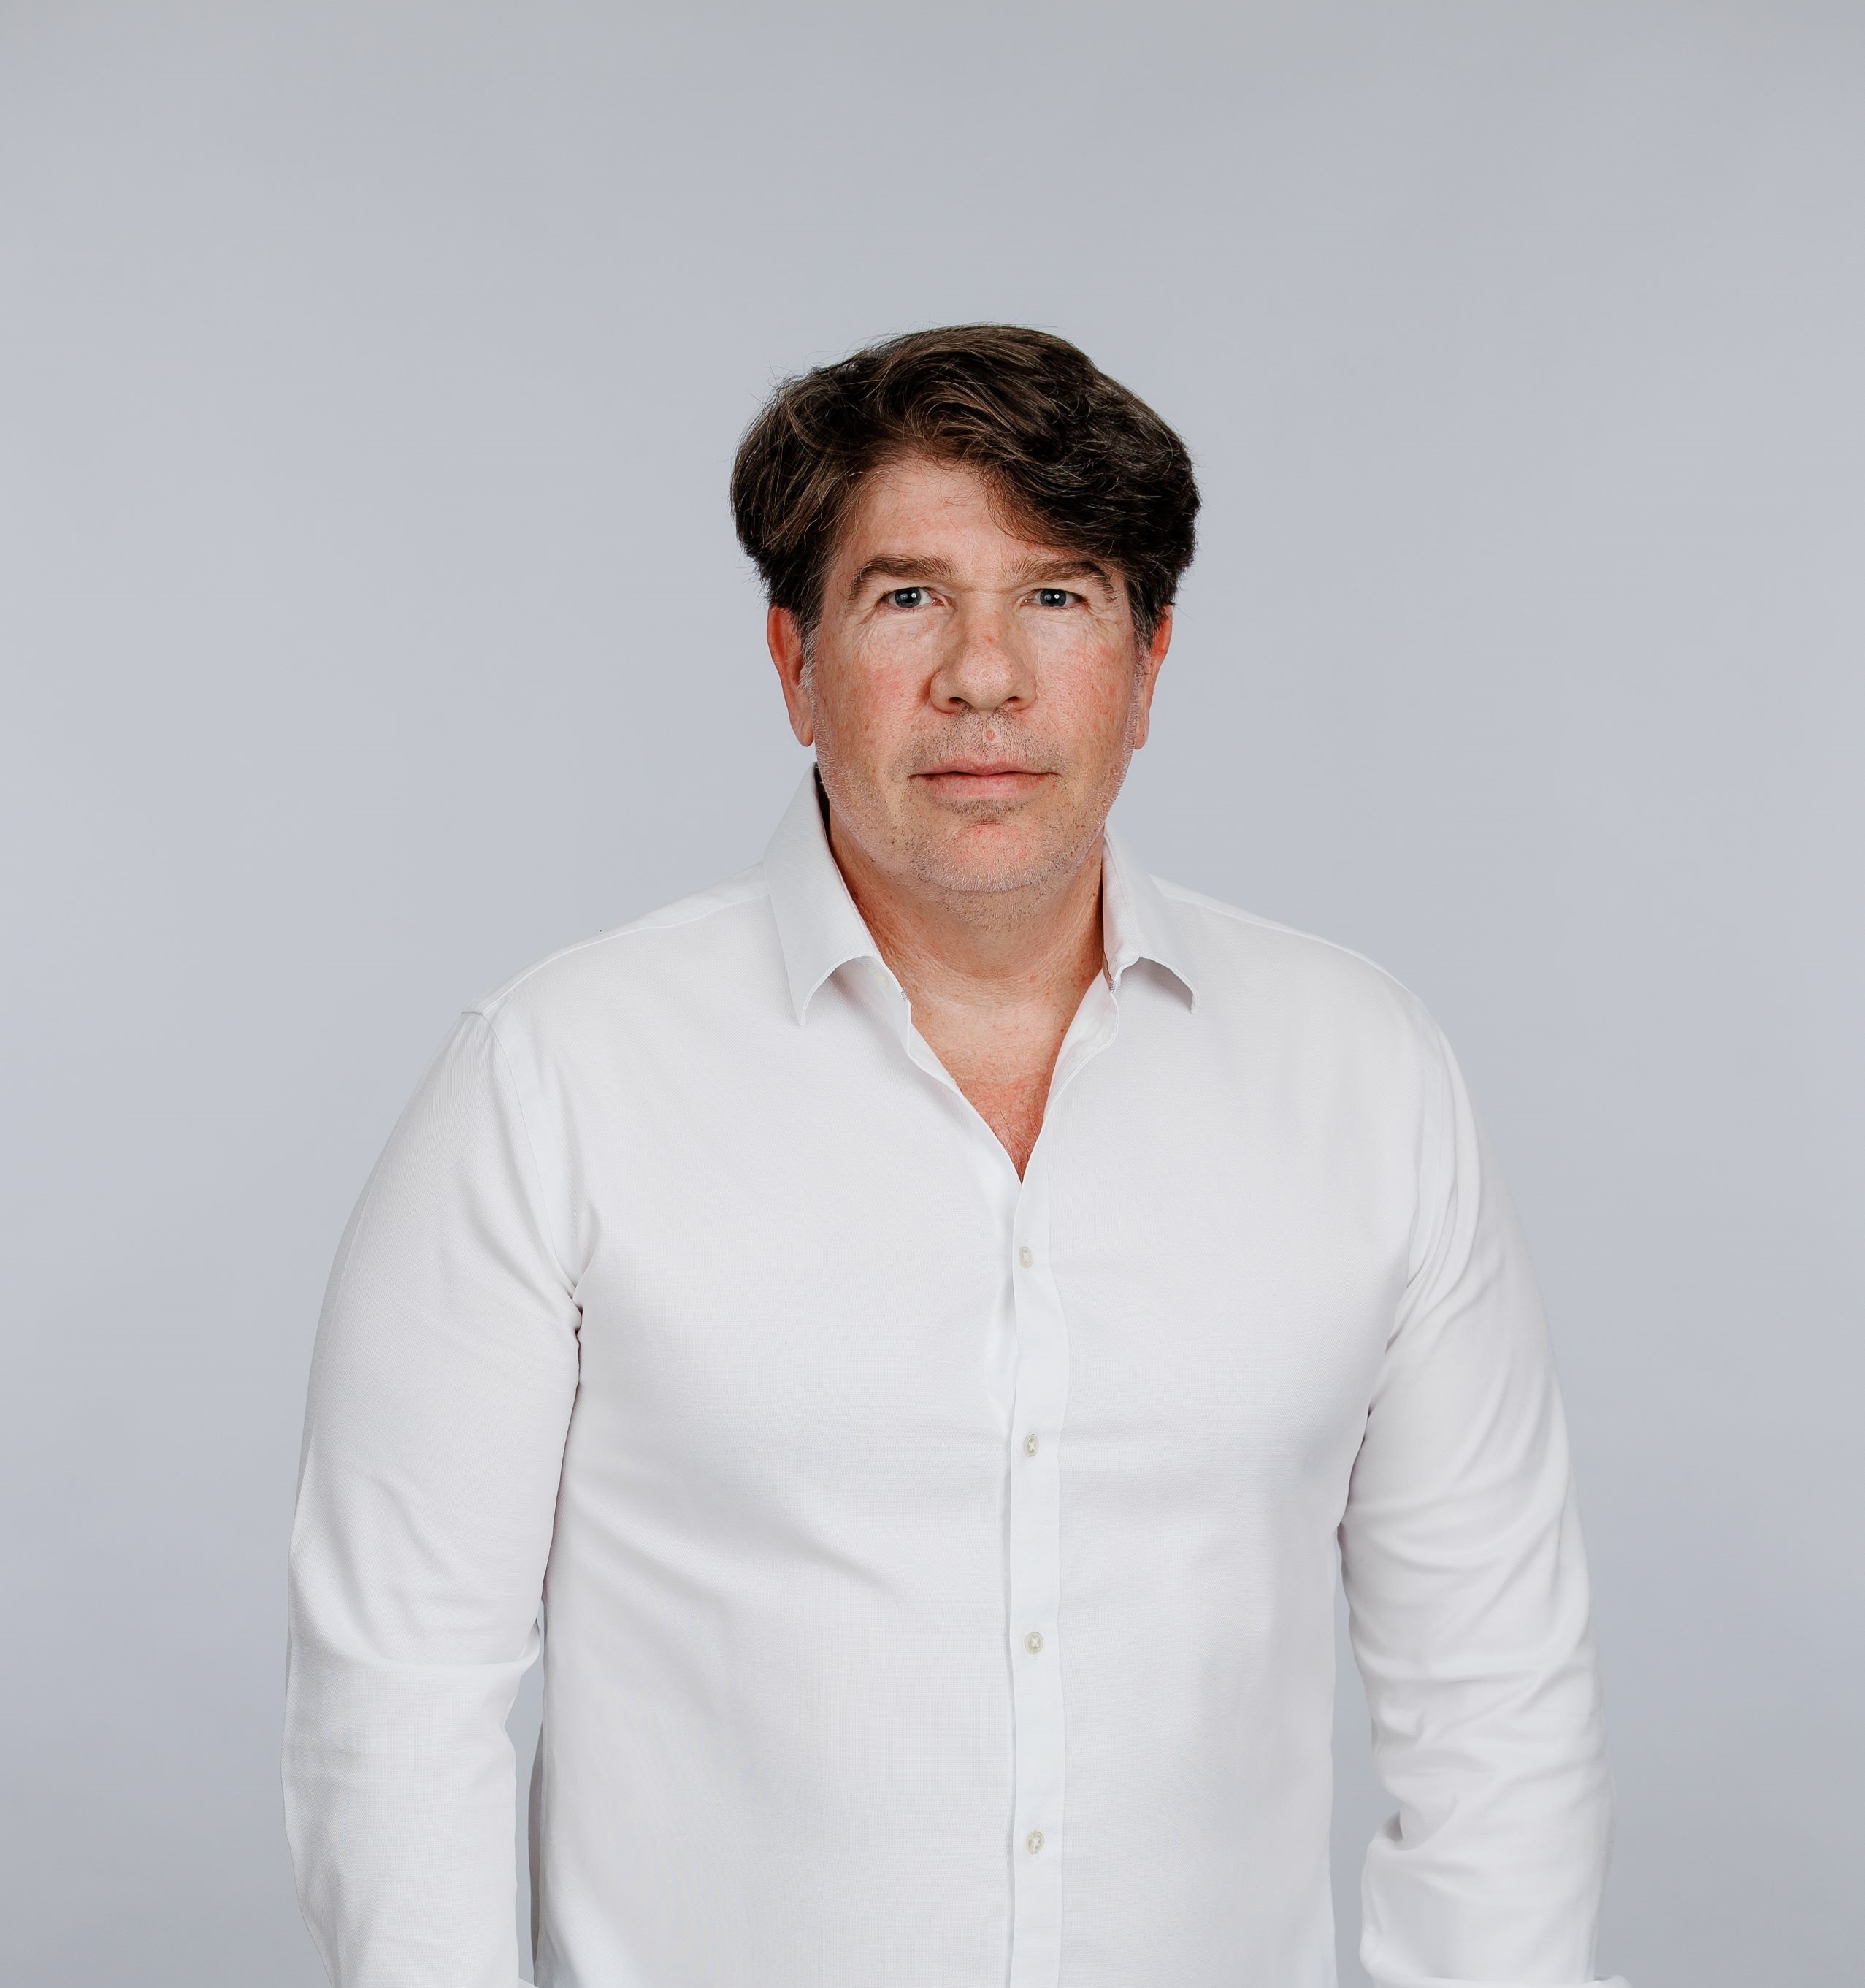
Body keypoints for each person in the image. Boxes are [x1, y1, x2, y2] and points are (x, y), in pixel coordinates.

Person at [282, 324, 1626, 1988]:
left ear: (1147, 664)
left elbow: (1494, 1707)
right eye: (907, 595)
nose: (982, 675)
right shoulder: (553, 1081)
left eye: (1056, 595)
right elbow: (395, 1697)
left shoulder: (1366, 1076)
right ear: (792, 660)